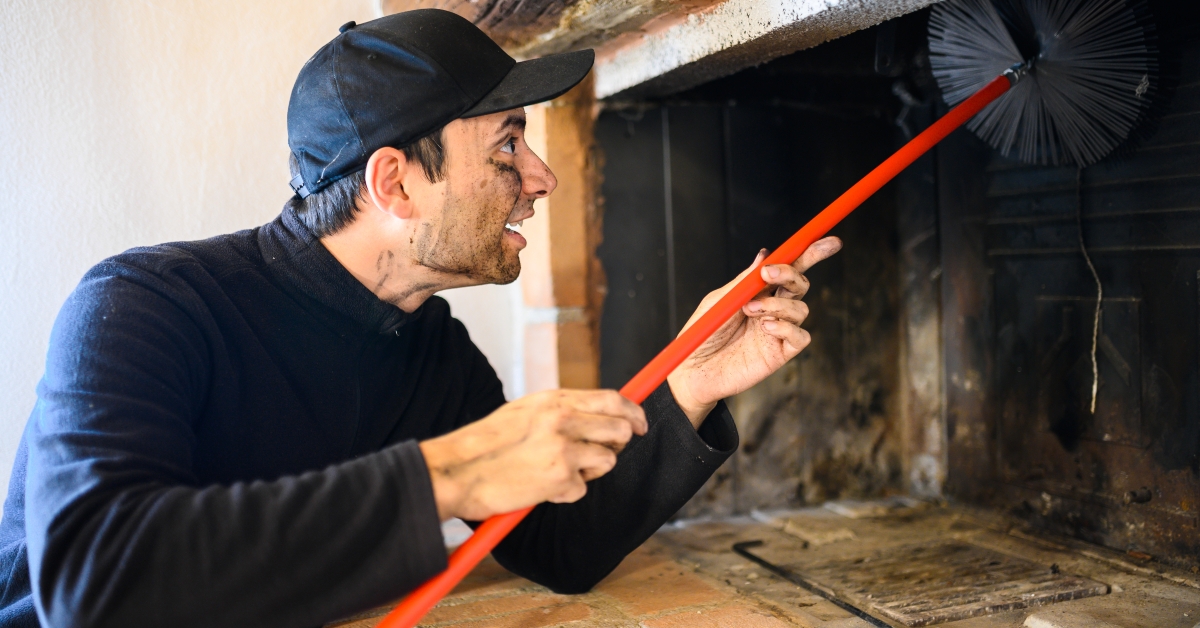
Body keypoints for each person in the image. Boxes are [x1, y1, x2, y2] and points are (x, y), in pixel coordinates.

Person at [0, 9, 840, 628]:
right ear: (395, 183)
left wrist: (691, 382)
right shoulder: (145, 305)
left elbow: (559, 544)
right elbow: (94, 582)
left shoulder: (430, 348)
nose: (541, 177)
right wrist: (453, 471)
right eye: (507, 145)